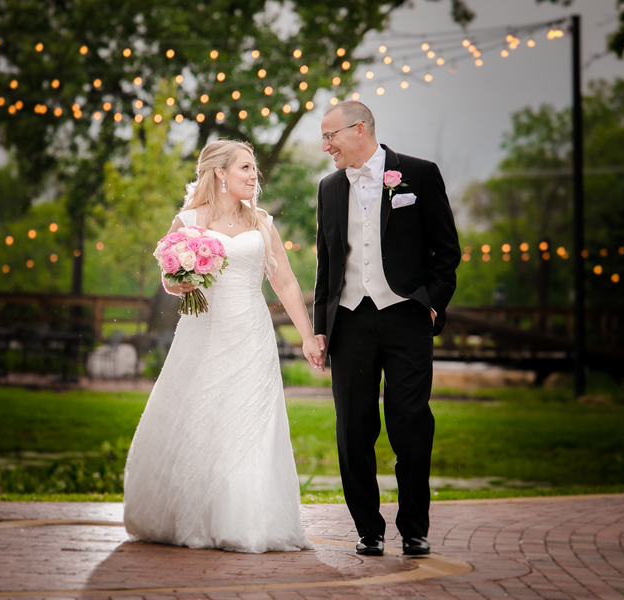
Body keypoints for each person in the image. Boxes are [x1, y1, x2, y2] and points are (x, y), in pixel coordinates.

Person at [123, 139, 323, 554]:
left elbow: (284, 282)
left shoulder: (262, 222)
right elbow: (170, 281)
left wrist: (307, 335)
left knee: (251, 423)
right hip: (203, 333)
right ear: (220, 173)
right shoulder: (188, 221)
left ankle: (247, 520)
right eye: (245, 169)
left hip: (252, 334)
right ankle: (194, 515)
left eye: (254, 170)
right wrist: (184, 277)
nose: (254, 177)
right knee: (202, 416)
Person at [313, 101, 460, 557]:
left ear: (359, 130)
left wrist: (429, 306)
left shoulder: (419, 173)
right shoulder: (329, 188)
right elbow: (327, 266)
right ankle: (368, 530)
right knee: (353, 429)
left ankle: (414, 527)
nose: (325, 146)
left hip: (406, 319)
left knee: (411, 423)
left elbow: (447, 253)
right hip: (351, 321)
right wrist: (321, 329)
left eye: (331, 136)